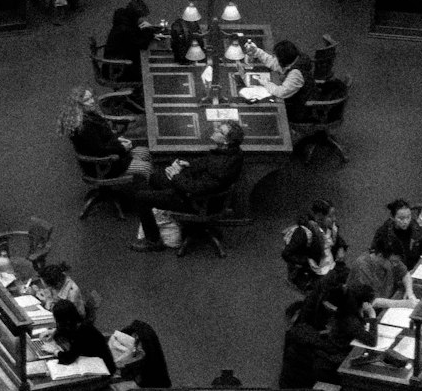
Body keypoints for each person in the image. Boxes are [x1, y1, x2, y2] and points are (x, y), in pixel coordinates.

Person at [130, 121, 244, 252]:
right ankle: (166, 213)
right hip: (198, 195)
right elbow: (206, 163)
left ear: (226, 141)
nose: (216, 129)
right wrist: (187, 164)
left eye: (220, 131)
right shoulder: (230, 153)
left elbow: (195, 189)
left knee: (141, 197)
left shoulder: (222, 166)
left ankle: (153, 241)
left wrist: (175, 176)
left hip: (198, 203)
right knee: (156, 178)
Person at [57, 86, 151, 180]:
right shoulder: (85, 127)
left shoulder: (91, 116)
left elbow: (105, 138)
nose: (92, 101)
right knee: (146, 167)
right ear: (79, 105)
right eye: (87, 100)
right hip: (103, 165)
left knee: (146, 152)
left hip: (110, 154)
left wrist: (118, 140)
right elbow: (100, 150)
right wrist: (122, 148)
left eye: (91, 97)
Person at [281, 200, 348, 291]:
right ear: (320, 217)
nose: (334, 219)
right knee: (330, 291)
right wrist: (306, 262)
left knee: (348, 278)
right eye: (330, 216)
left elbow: (336, 239)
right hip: (314, 273)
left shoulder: (331, 228)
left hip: (331, 266)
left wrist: (341, 247)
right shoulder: (304, 233)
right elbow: (287, 254)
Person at [243, 38, 314, 123]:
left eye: (276, 57)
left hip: (296, 104)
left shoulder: (296, 74)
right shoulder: (293, 58)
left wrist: (266, 83)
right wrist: (257, 52)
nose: (274, 58)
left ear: (283, 60)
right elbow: (273, 63)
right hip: (292, 93)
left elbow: (281, 92)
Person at [49, 299, 117, 375]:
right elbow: (63, 331)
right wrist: (54, 332)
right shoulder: (75, 323)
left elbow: (68, 358)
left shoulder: (83, 331)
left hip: (104, 369)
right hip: (91, 361)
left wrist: (54, 351)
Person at [103, 0, 156, 84]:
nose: (143, 20)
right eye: (141, 17)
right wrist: (149, 32)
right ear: (135, 16)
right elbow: (142, 44)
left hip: (116, 60)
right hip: (119, 68)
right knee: (149, 73)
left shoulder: (124, 20)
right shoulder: (126, 29)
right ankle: (139, 92)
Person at [345, 243, 417, 307]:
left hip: (386, 302)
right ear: (380, 256)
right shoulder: (362, 267)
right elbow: (373, 301)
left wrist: (409, 292)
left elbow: (405, 274)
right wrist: (404, 304)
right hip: (366, 310)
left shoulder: (391, 260)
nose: (395, 265)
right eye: (393, 262)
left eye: (397, 262)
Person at [371, 199, 422, 270]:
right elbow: (375, 254)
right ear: (392, 217)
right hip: (395, 272)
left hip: (416, 268)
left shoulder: (415, 227)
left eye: (408, 217)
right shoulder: (383, 233)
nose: (405, 221)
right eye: (401, 218)